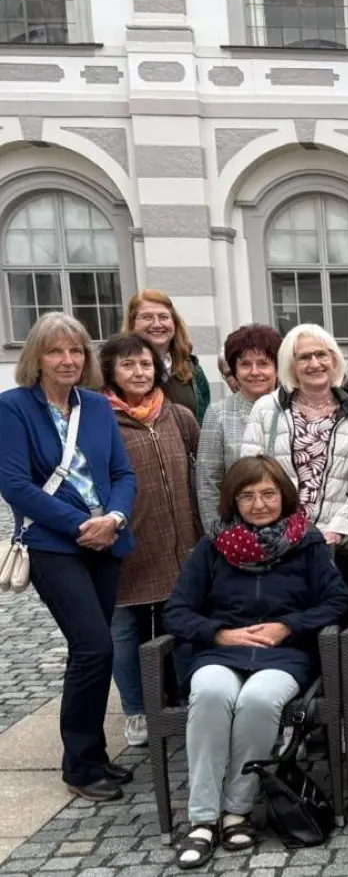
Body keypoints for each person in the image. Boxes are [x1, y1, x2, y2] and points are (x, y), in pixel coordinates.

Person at [163, 456, 348, 868]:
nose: (259, 504)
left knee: (259, 701)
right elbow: (176, 611)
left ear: (284, 496)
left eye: (268, 494)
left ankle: (237, 811)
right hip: (221, 649)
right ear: (232, 500)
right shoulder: (212, 545)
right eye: (247, 496)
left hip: (284, 653)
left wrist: (287, 626)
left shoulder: (308, 541)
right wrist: (218, 633)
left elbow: (337, 602)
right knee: (211, 692)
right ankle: (203, 819)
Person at [0, 313, 136, 801]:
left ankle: (94, 754)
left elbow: (122, 473)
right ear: (36, 357)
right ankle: (80, 766)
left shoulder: (97, 406)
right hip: (54, 545)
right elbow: (14, 485)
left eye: (76, 351)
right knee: (93, 647)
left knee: (95, 652)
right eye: (56, 351)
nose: (67, 360)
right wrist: (83, 526)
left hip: (106, 542)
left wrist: (114, 520)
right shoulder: (13, 408)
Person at [101, 333, 203, 751]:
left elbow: (200, 472)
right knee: (127, 631)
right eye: (128, 365)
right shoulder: (99, 419)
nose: (139, 372)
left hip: (181, 540)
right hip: (128, 545)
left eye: (145, 364)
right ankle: (138, 709)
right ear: (110, 372)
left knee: (181, 624)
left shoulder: (177, 416)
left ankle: (184, 700)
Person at [240, 324, 348, 575]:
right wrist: (280, 530)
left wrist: (338, 531)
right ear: (291, 366)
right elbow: (248, 475)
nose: (315, 363)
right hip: (278, 543)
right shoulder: (266, 409)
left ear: (334, 359)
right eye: (304, 357)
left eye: (321, 354)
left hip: (340, 547)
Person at [198, 325, 282, 534]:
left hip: (292, 531)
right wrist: (220, 536)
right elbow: (208, 483)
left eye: (263, 363)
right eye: (245, 364)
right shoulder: (218, 414)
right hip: (238, 532)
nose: (255, 372)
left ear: (277, 368)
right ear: (234, 371)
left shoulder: (293, 408)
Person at [125, 289, 210, 423]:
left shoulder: (192, 370)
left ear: (174, 323)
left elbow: (204, 421)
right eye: (147, 317)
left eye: (164, 317)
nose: (157, 324)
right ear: (132, 323)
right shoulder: (119, 372)